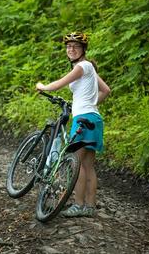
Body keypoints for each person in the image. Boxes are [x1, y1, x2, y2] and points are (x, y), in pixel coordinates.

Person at [36, 32, 111, 217]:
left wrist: (42, 86)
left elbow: (58, 84)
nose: (71, 49)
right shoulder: (90, 68)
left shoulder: (82, 66)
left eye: (75, 46)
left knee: (75, 163)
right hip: (94, 118)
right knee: (88, 165)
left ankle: (78, 205)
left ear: (83, 49)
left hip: (83, 118)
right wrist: (90, 103)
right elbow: (106, 90)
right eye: (68, 46)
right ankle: (90, 207)